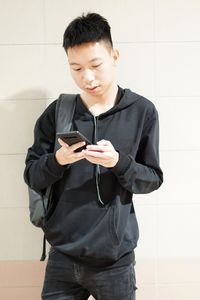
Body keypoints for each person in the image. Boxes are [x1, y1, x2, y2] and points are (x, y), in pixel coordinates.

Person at [24, 12, 163, 300]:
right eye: (75, 68)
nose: (87, 77)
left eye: (95, 65)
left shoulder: (142, 112)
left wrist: (118, 162)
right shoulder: (58, 112)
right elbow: (32, 175)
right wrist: (58, 160)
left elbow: (151, 179)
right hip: (62, 257)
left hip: (115, 262)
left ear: (114, 56)